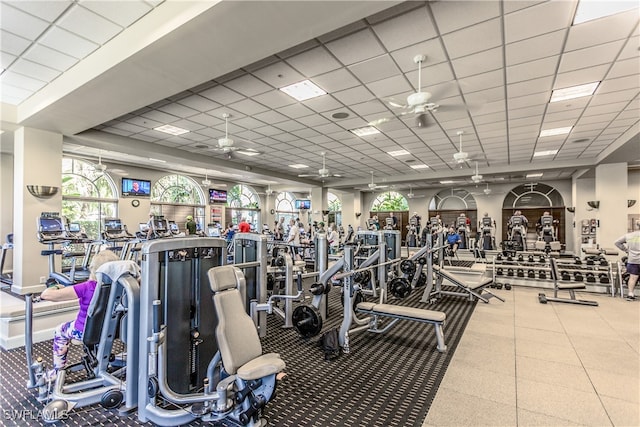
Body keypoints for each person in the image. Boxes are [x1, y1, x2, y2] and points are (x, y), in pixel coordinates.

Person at [40, 249, 120, 379]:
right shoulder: (122, 287)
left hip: (84, 331)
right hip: (113, 330)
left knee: (60, 330)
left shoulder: (87, 287)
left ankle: (57, 371)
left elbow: (46, 295)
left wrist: (55, 287)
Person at [614, 221, 640, 301]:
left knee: (632, 277)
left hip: (633, 260)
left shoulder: (629, 236)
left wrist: (626, 250)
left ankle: (630, 294)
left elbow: (617, 242)